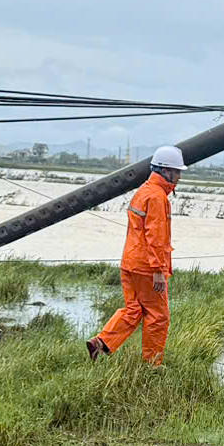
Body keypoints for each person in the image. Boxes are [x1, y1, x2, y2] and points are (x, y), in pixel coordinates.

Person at [85, 145, 184, 366]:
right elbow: (155, 237)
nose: (179, 176)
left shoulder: (143, 191)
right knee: (158, 317)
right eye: (177, 171)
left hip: (130, 263)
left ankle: (100, 342)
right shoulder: (158, 197)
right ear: (166, 170)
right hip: (147, 268)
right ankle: (153, 365)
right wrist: (158, 270)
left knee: (134, 309)